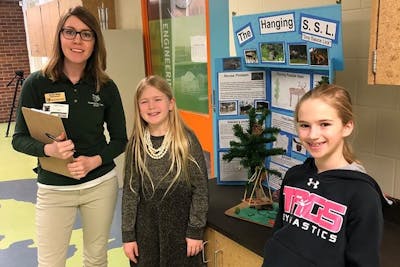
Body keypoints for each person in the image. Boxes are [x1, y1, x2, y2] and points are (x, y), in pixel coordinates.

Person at [12, 6, 127, 267]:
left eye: (86, 34)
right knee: (51, 262)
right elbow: (18, 138)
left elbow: (120, 139)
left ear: (95, 42)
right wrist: (48, 150)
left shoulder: (106, 87)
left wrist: (94, 161)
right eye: (70, 32)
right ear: (59, 37)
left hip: (99, 185)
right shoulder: (36, 84)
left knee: (96, 258)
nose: (77, 40)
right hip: (54, 188)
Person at [262, 84, 388, 267]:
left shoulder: (362, 194)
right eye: (305, 125)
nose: (313, 135)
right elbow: (280, 231)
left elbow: (364, 261)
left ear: (347, 126)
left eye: (325, 124)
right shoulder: (294, 176)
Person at [121, 75, 209, 266]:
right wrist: (128, 236)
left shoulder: (187, 141)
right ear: (138, 108)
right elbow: (130, 193)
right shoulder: (135, 145)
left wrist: (195, 230)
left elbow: (200, 189)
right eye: (144, 102)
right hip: (146, 234)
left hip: (181, 233)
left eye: (157, 99)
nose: (151, 107)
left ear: (170, 103)